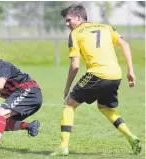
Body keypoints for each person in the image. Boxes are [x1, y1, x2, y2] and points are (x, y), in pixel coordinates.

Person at [50, 4, 141, 156]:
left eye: (68, 20)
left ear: (79, 17)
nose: (67, 25)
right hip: (115, 75)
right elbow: (124, 44)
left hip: (97, 74)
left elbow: (75, 66)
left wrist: (67, 87)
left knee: (69, 104)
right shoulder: (107, 27)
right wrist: (130, 70)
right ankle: (131, 137)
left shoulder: (75, 33)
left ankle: (63, 147)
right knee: (105, 107)